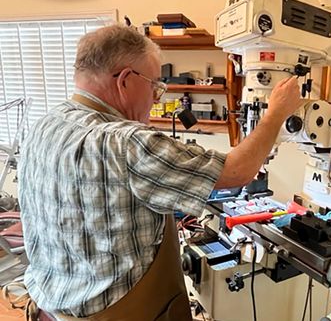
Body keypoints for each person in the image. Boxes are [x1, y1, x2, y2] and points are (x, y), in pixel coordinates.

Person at [18, 24, 301, 321]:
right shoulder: (128, 142)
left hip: (48, 309)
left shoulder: (45, 125)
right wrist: (276, 113)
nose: (155, 97)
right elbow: (237, 171)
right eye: (155, 85)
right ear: (125, 81)